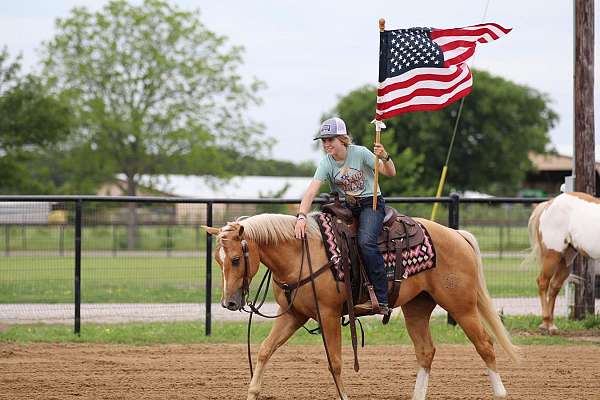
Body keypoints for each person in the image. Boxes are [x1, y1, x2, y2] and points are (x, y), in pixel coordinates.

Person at [294, 117, 396, 315]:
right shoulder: (326, 163)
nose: (326, 144)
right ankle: (340, 289)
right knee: (328, 240)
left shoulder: (361, 153)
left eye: (330, 139)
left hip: (371, 203)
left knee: (366, 242)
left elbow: (390, 172)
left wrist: (385, 156)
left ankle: (382, 299)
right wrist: (301, 216)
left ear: (342, 139)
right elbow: (311, 192)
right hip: (345, 208)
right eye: (323, 140)